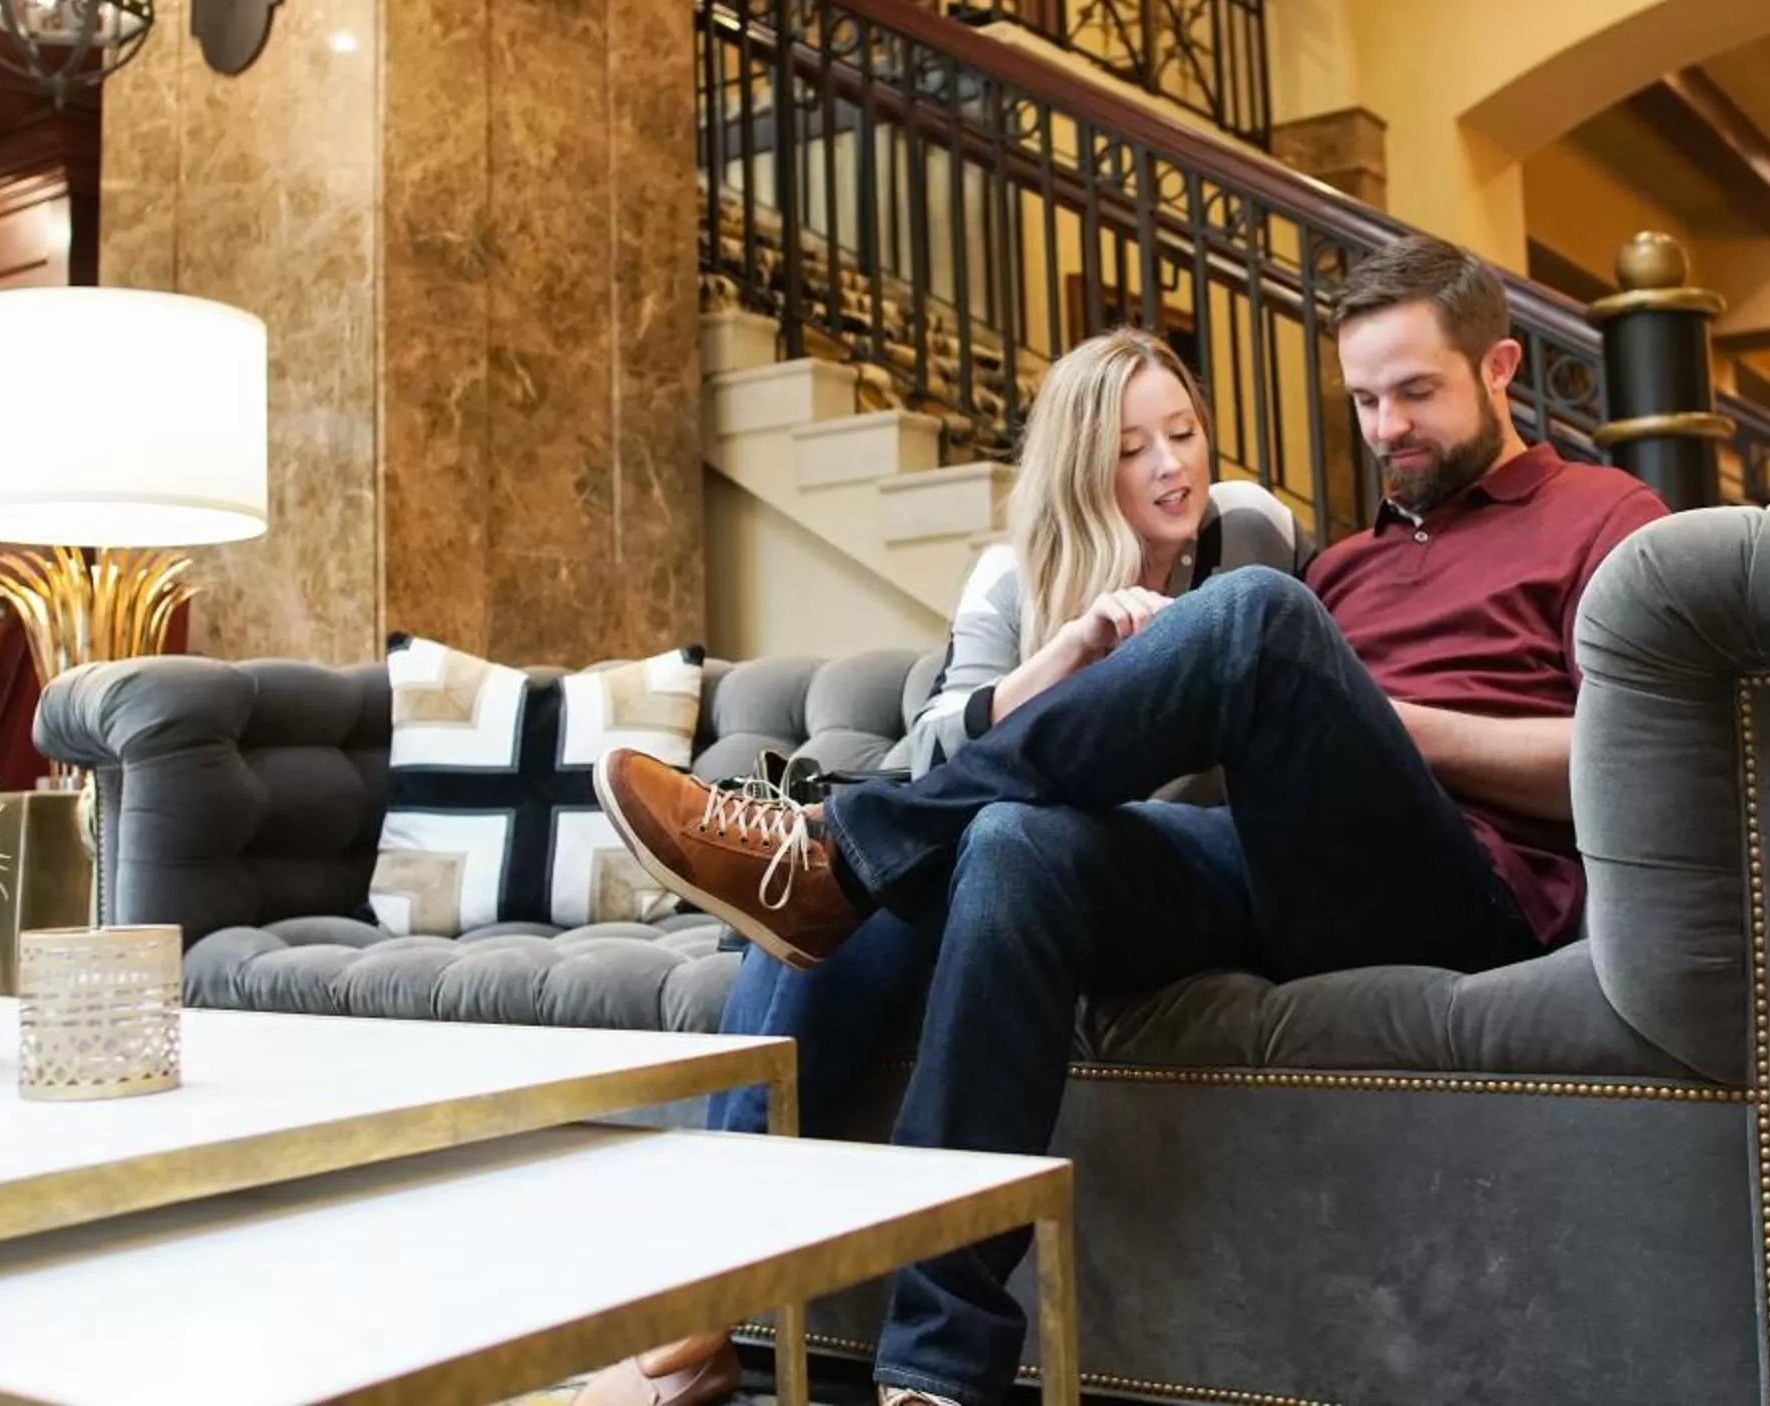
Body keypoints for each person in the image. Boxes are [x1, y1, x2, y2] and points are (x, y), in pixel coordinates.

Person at [593, 234, 1668, 1406]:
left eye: (1415, 393)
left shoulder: (1605, 517)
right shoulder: (1349, 563)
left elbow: (1620, 763)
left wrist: (1380, 717)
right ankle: (937, 1368)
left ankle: (843, 852)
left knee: (1250, 612)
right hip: (1287, 871)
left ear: (1501, 365)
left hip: (1473, 884)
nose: (1386, 427)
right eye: (1363, 400)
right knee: (1010, 846)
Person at [575, 329, 1299, 1406]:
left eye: (1183, 432)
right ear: (1077, 467)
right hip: (996, 873)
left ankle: (820, 853)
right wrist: (1067, 653)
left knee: (884, 861)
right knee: (867, 899)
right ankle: (705, 1306)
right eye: (1132, 446)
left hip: (1154, 869)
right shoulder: (1014, 577)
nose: (1170, 465)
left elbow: (1208, 758)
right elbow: (929, 751)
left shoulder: (1247, 536)